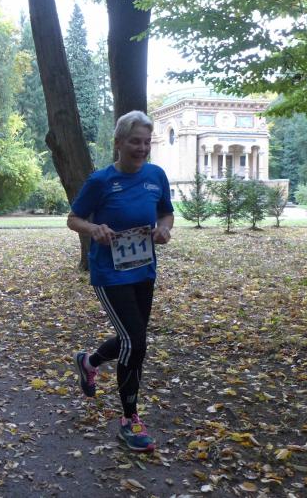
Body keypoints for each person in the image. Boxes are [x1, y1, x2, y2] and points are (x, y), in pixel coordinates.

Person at [67, 110, 174, 452]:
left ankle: (89, 362)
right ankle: (130, 420)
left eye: (146, 142)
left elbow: (166, 212)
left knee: (132, 337)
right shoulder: (101, 181)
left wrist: (164, 229)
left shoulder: (156, 176)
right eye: (134, 141)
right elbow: (73, 219)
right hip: (110, 273)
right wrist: (93, 228)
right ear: (118, 142)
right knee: (136, 342)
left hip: (143, 270)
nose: (141, 148)